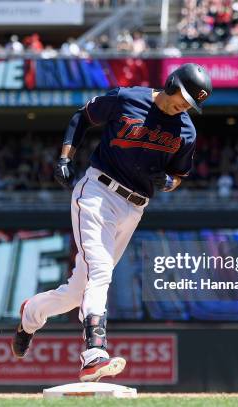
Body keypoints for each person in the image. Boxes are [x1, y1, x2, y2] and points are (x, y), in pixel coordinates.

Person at [11, 64, 212, 382]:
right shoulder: (128, 99)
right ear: (171, 84)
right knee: (100, 271)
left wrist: (167, 181)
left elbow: (179, 176)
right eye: (183, 97)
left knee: (78, 291)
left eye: (191, 103)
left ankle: (30, 315)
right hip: (97, 192)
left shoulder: (186, 130)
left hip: (134, 209)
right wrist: (65, 156)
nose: (184, 105)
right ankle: (94, 352)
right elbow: (83, 116)